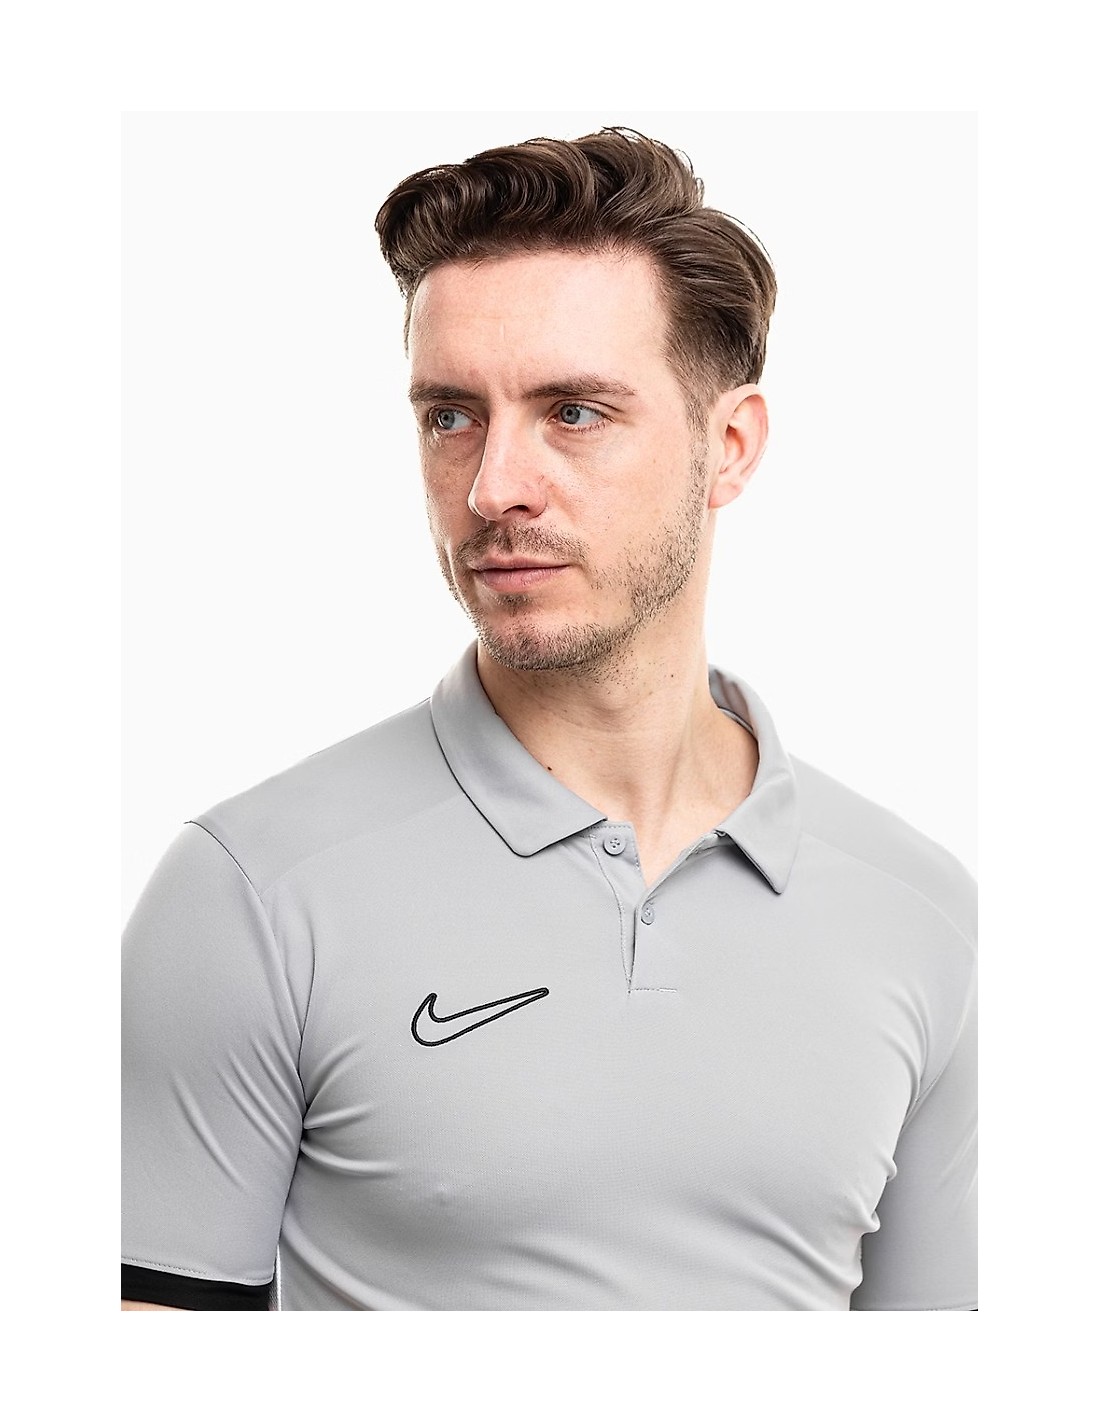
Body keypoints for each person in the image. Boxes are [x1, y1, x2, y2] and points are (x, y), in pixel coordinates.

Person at [122, 127, 977, 1311]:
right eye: (449, 415)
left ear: (727, 446)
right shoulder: (248, 893)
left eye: (572, 412)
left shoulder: (921, 914)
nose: (491, 489)